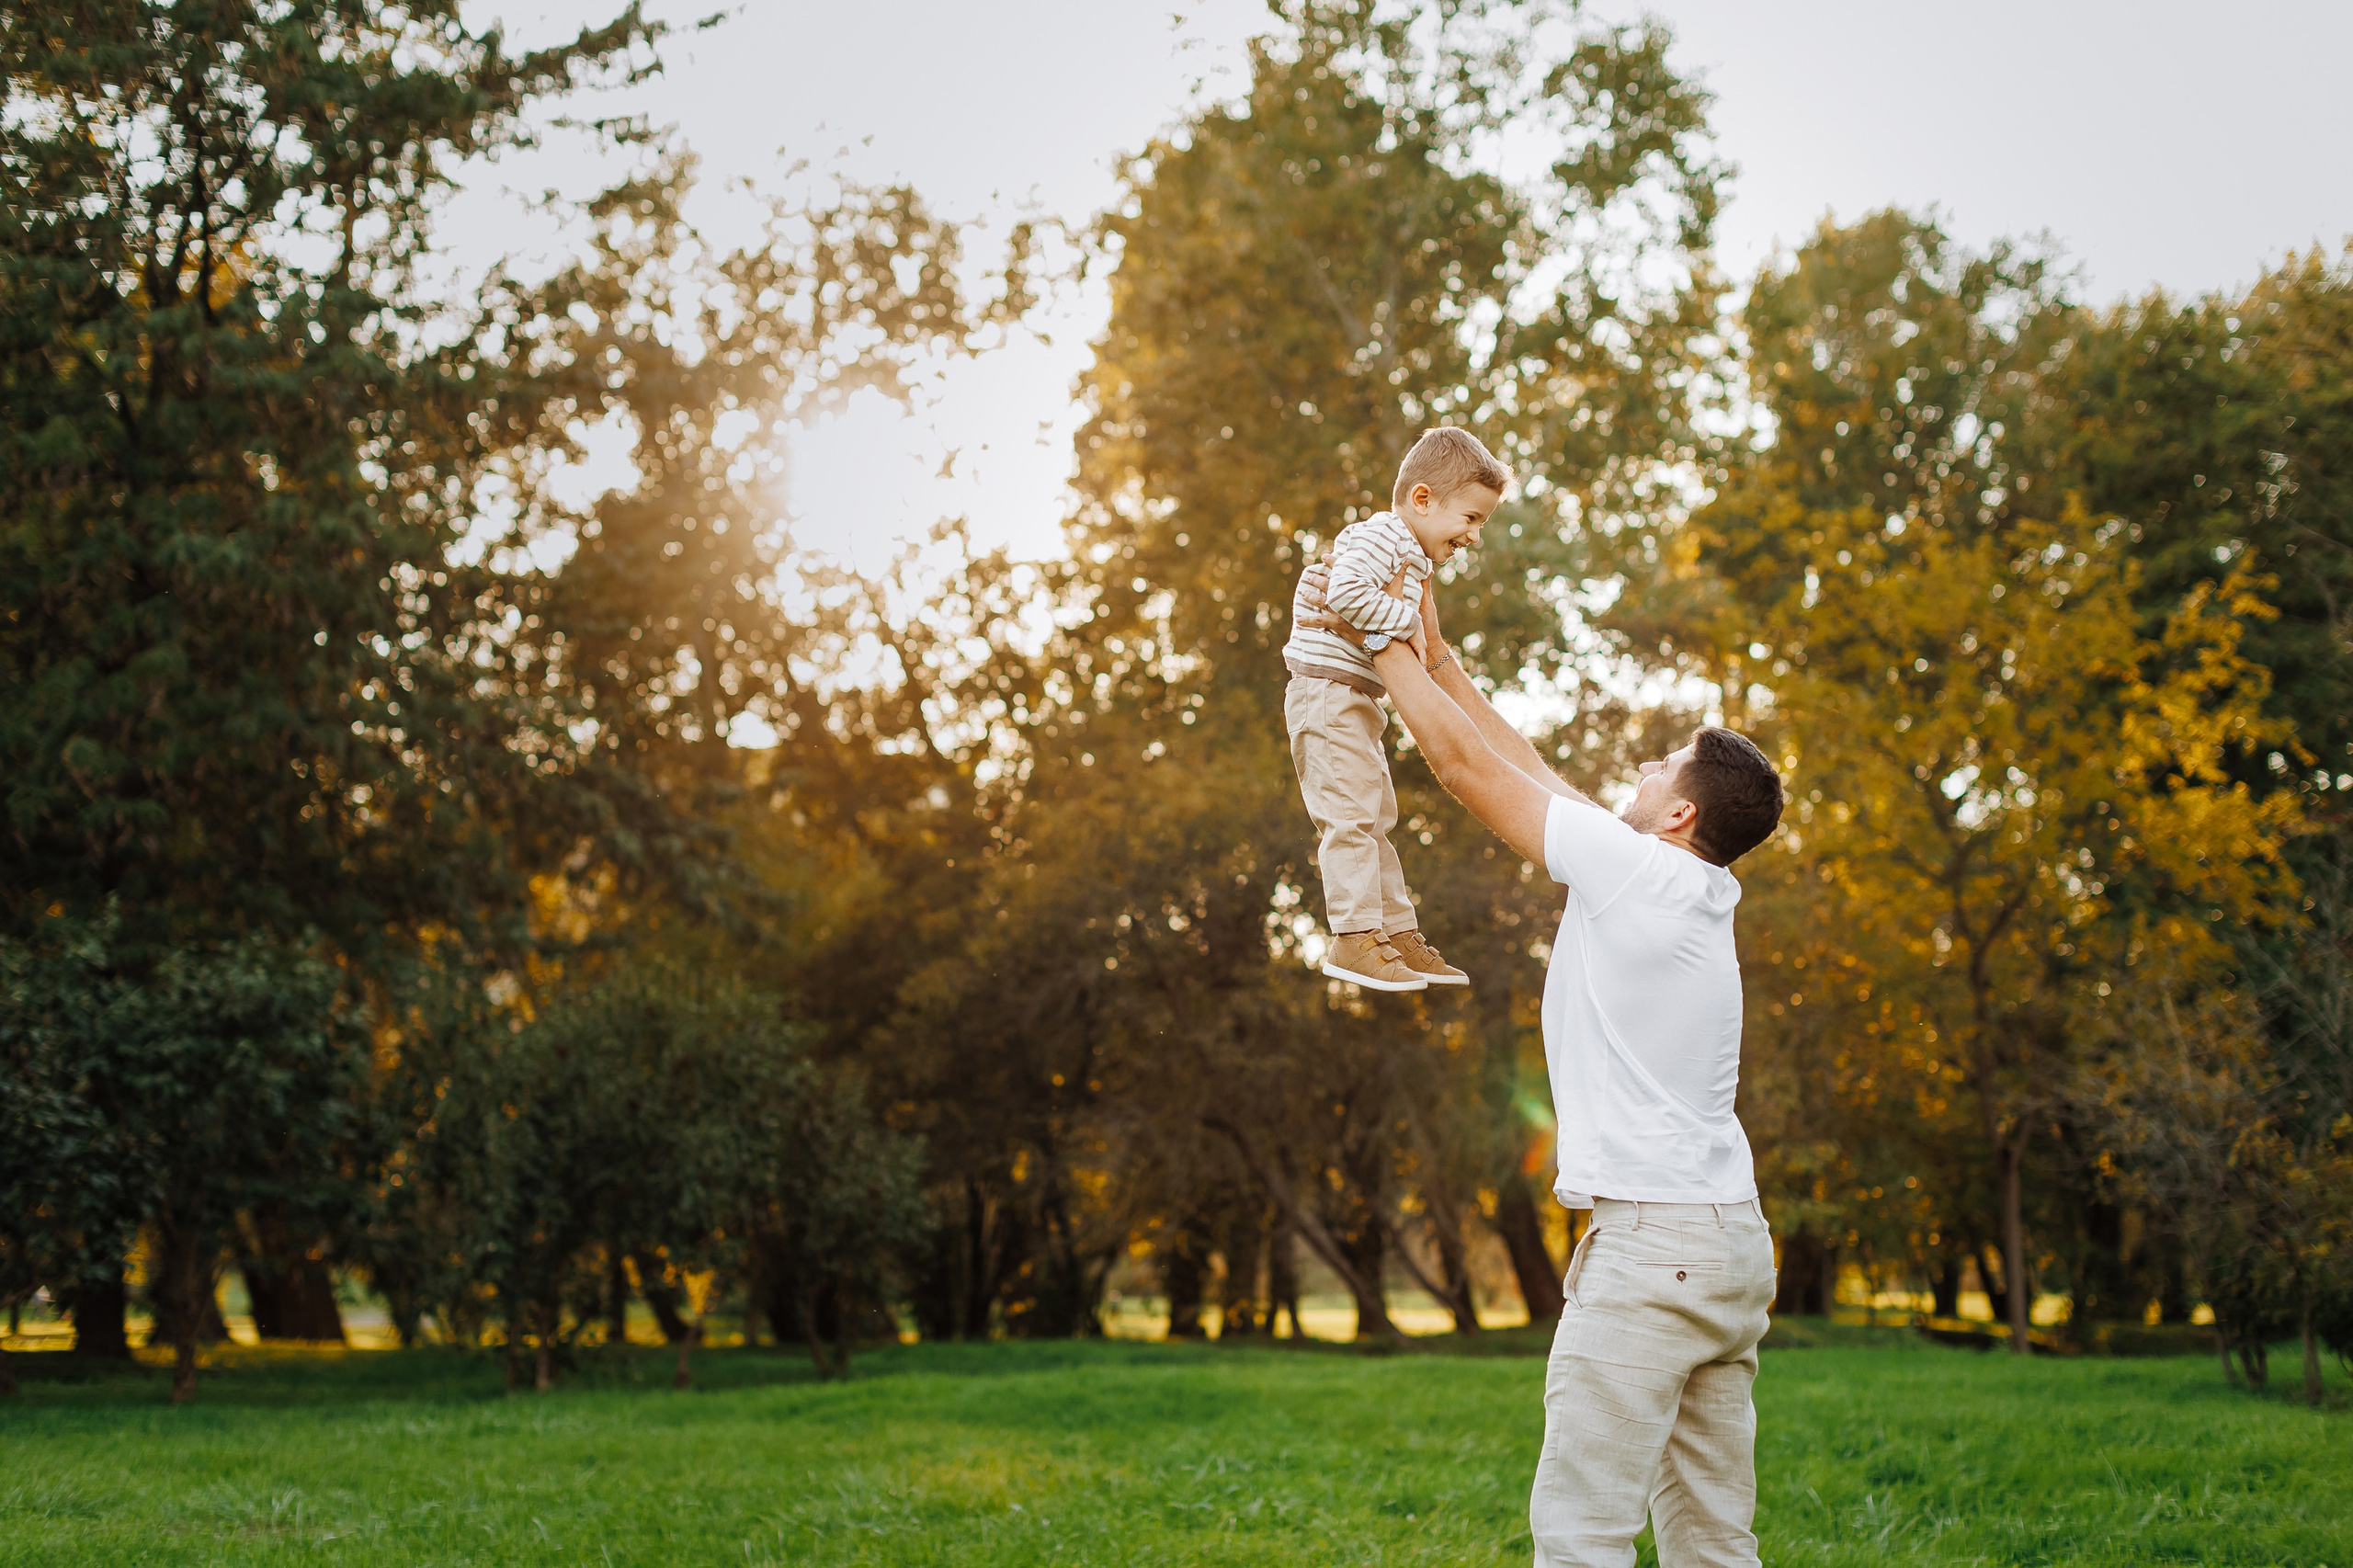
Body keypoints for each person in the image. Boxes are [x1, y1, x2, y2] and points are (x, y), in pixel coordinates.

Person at [1296, 563, 1788, 1568]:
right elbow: (1513, 756)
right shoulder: (1674, 882)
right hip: (1729, 1240)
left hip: (1654, 1242)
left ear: (1682, 814)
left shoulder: (1639, 873)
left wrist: (1375, 631)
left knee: (1582, 1535)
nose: (1639, 772)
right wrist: (1434, 651)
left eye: (1659, 764)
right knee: (1711, 1538)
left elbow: (1469, 773)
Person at [1280, 426, 1507, 992]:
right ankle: (1355, 937)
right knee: (1350, 816)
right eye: (1472, 519)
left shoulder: (1412, 555)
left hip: (1353, 701)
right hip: (1326, 695)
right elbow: (1344, 594)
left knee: (1378, 817)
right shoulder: (1382, 537)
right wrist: (1410, 630)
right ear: (1423, 500)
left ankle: (1395, 931)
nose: (1476, 536)